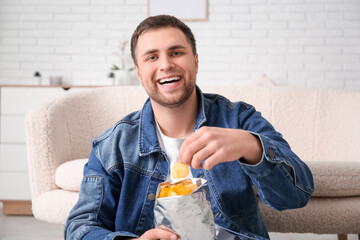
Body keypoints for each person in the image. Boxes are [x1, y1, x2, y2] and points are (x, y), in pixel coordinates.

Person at [65, 15, 314, 240]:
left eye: (176, 53)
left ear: (195, 61)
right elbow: (80, 228)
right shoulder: (112, 146)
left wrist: (251, 145)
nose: (165, 65)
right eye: (152, 57)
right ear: (139, 73)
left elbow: (296, 195)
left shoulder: (239, 119)